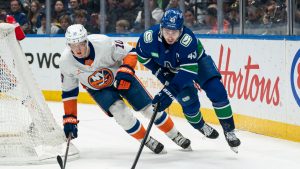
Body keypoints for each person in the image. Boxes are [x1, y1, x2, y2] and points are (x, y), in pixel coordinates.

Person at [59, 24, 191, 154]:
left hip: (122, 77)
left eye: (81, 44)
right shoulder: (66, 62)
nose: (78, 49)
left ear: (86, 40)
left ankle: (175, 135)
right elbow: (69, 93)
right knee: (121, 114)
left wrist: (126, 71)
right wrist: (70, 117)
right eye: (73, 45)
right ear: (68, 45)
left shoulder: (103, 43)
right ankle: (146, 139)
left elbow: (131, 52)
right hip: (99, 89)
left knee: (150, 109)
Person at [135, 8, 241, 152]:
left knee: (217, 91)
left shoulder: (187, 39)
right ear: (161, 27)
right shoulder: (148, 38)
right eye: (167, 31)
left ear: (181, 29)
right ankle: (200, 125)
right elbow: (142, 56)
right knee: (189, 102)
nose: (170, 36)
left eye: (174, 32)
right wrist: (160, 73)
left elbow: (189, 71)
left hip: (197, 63)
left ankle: (229, 130)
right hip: (170, 70)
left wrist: (169, 91)